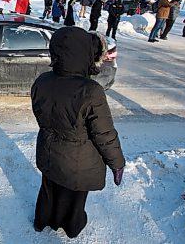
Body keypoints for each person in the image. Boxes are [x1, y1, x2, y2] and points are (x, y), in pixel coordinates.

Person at [31, 26, 125, 237]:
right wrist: (117, 163)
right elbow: (104, 134)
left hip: (48, 150)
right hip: (78, 159)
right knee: (73, 195)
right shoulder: (90, 91)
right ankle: (71, 226)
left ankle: (42, 220)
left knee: (49, 188)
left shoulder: (42, 81)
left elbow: (40, 114)